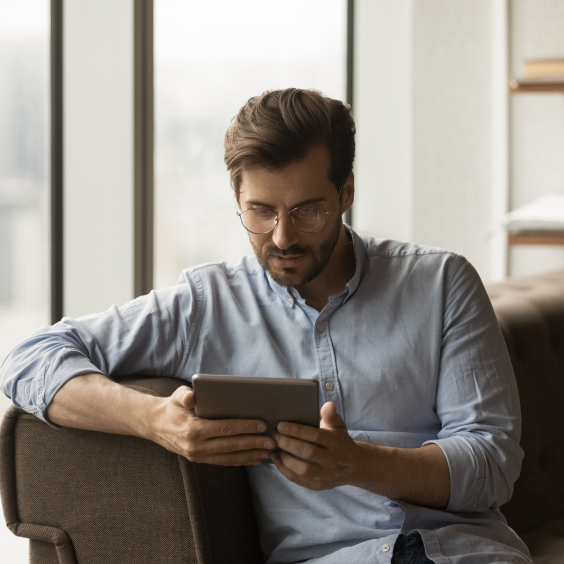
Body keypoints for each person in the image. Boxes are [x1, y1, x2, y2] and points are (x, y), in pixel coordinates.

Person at [1, 88, 531, 564]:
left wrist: (355, 465)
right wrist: (157, 420)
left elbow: (491, 463)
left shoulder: (441, 283)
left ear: (346, 192)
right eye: (260, 211)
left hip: (465, 555)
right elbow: (30, 359)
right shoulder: (205, 305)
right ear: (237, 200)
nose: (281, 238)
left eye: (307, 212)